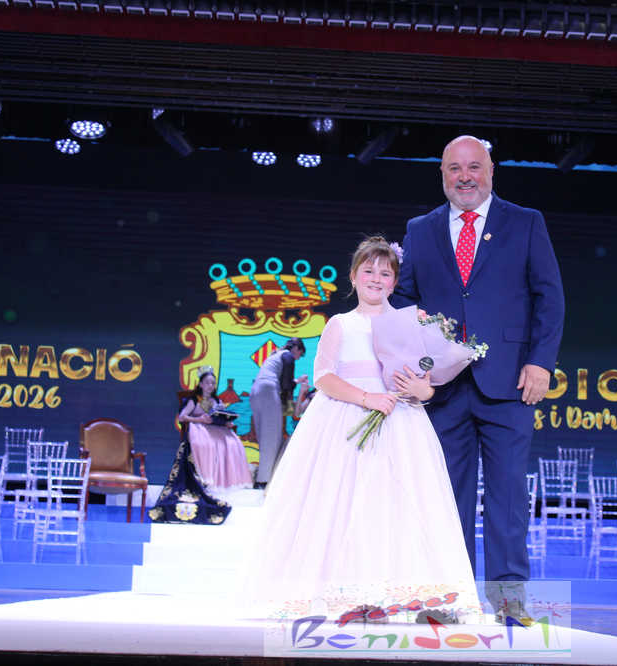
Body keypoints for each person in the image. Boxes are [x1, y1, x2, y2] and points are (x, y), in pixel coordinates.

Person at [238, 237, 480, 623]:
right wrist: (368, 398)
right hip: (346, 423)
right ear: (353, 276)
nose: (376, 279)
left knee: (397, 507)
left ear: (395, 281)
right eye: (368, 271)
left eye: (385, 273)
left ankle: (397, 596)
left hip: (401, 424)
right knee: (340, 506)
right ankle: (346, 596)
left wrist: (421, 390)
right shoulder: (341, 324)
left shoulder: (412, 322)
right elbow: (323, 377)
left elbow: (426, 383)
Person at [391, 135, 565, 618]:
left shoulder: (526, 222)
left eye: (474, 167)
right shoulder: (421, 229)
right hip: (442, 390)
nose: (464, 176)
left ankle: (509, 600)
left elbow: (549, 298)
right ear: (442, 174)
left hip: (508, 382)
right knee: (447, 496)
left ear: (491, 171)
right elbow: (404, 301)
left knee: (508, 494)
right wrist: (423, 356)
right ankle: (452, 599)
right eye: (454, 168)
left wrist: (540, 362)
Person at [149, 368, 252, 524]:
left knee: (233, 443)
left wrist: (227, 422)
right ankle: (205, 477)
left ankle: (223, 479)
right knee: (203, 444)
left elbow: (221, 417)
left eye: (213, 383)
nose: (211, 386)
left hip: (216, 429)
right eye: (207, 383)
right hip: (199, 428)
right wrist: (199, 419)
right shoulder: (194, 400)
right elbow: (182, 417)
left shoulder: (217, 401)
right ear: (201, 384)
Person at [250, 337, 305, 487]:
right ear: (296, 348)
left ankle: (261, 476)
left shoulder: (274, 355)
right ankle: (263, 480)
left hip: (255, 391)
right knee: (271, 438)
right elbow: (286, 385)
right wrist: (298, 381)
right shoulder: (288, 356)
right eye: (300, 354)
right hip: (268, 390)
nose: (298, 358)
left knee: (263, 437)